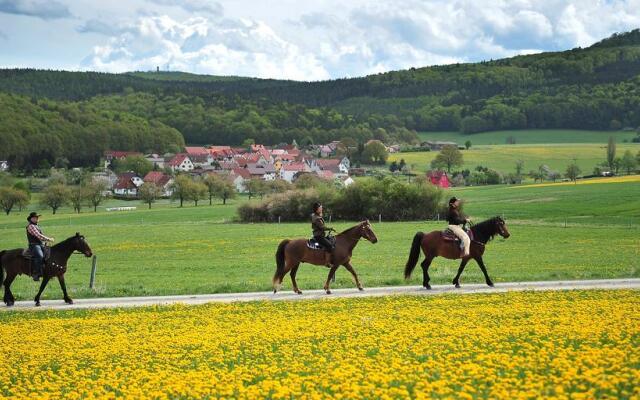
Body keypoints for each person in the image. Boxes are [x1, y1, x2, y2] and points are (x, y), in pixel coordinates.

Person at [26, 212, 55, 281]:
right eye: (36, 217)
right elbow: (38, 235)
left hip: (40, 244)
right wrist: (49, 239)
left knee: (49, 255)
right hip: (34, 245)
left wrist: (45, 242)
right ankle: (36, 274)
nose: (37, 218)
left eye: (37, 217)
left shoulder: (36, 226)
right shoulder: (31, 226)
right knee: (40, 256)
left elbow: (39, 237)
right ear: (31, 219)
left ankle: (47, 272)